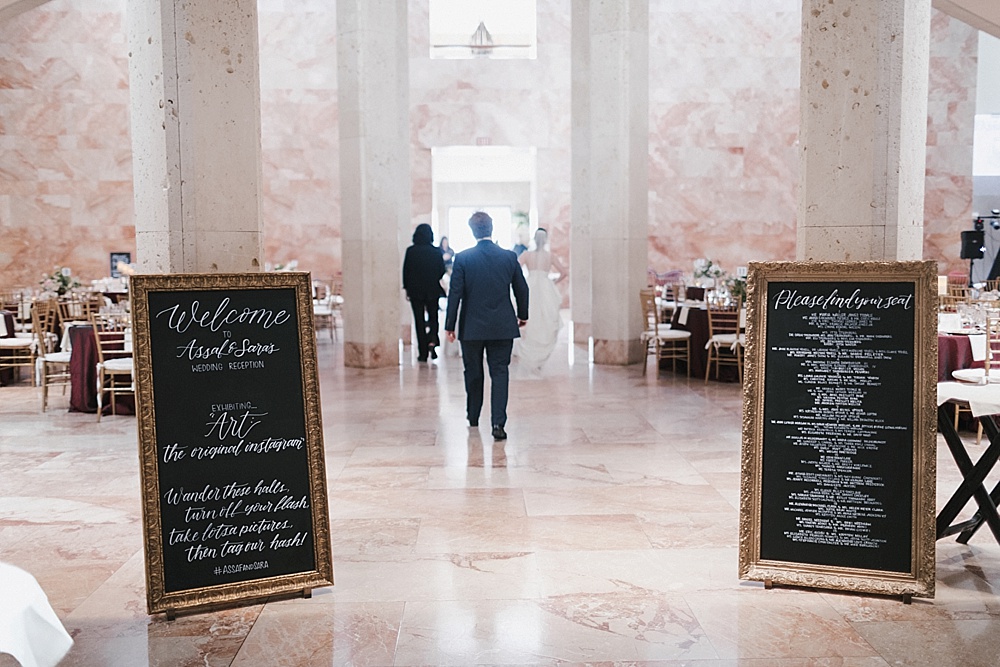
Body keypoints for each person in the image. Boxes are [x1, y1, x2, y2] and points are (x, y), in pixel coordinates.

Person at [445, 212, 529, 440]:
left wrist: (450, 325)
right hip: (502, 326)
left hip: (471, 328)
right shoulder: (509, 257)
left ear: (472, 231)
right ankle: (498, 425)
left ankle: (473, 416)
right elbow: (522, 289)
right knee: (500, 372)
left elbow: (455, 294)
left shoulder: (463, 258)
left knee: (473, 372)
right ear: (492, 228)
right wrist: (523, 315)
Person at [515, 228, 566, 375]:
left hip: (530, 285)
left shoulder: (527, 255)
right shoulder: (550, 256)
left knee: (532, 317)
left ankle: (529, 349)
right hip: (545, 287)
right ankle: (540, 356)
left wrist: (523, 281)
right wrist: (553, 282)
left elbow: (515, 268)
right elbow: (564, 272)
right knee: (546, 320)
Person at [402, 223, 446, 362]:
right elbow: (441, 271)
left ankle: (422, 352)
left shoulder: (411, 251)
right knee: (433, 318)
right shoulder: (436, 252)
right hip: (432, 290)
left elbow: (406, 271)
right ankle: (432, 341)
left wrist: (407, 288)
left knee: (419, 321)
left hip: (415, 291)